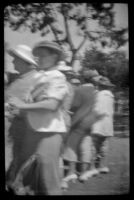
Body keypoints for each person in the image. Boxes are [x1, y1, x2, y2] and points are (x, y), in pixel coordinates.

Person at [9, 41, 69, 195]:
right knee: (28, 175)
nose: (37, 58)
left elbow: (51, 105)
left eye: (42, 55)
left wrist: (21, 106)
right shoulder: (41, 76)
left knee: (48, 178)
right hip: (33, 130)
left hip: (48, 132)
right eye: (36, 55)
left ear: (54, 56)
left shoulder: (58, 77)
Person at [61, 77, 105, 184]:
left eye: (76, 83)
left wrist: (69, 111)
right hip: (91, 121)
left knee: (72, 146)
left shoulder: (79, 91)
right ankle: (84, 172)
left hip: (79, 121)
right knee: (86, 145)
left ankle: (71, 172)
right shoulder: (96, 92)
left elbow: (74, 106)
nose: (75, 85)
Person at [5, 45, 39, 180]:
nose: (13, 62)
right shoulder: (21, 78)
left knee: (14, 164)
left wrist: (8, 110)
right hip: (11, 133)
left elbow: (34, 110)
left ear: (27, 62)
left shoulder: (35, 80)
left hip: (18, 133)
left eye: (16, 59)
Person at [79, 76, 115, 181]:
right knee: (103, 145)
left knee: (93, 145)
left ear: (99, 86)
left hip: (98, 123)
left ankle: (93, 167)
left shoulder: (98, 95)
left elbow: (97, 110)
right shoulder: (110, 96)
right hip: (107, 124)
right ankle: (103, 166)